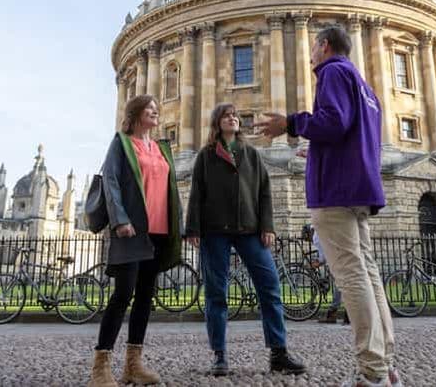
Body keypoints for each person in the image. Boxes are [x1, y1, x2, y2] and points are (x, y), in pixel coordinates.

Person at [256, 26, 400, 387]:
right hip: (359, 187)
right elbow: (350, 135)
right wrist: (317, 151)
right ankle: (386, 364)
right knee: (368, 274)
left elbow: (334, 122)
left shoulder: (333, 72)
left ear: (324, 45)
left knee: (351, 276)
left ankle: (373, 371)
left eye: (312, 48)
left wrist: (291, 123)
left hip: (335, 191)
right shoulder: (365, 87)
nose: (310, 56)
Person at [185, 103, 306, 377]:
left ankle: (278, 352)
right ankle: (219, 355)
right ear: (217, 122)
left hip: (250, 229)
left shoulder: (251, 153)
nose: (233, 118)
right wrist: (192, 229)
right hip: (214, 230)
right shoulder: (205, 155)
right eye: (227, 115)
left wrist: (268, 226)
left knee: (270, 287)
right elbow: (196, 193)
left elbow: (264, 191)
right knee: (216, 293)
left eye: (235, 115)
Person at [88, 95, 182, 387]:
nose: (155, 111)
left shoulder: (161, 147)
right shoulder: (122, 143)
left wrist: (179, 225)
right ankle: (100, 368)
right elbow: (111, 181)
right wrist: (119, 220)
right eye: (149, 108)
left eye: (156, 108)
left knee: (144, 297)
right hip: (131, 228)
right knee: (122, 294)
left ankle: (133, 365)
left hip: (158, 230)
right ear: (136, 114)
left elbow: (169, 189)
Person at [310, 226, 349, 325]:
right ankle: (344, 313)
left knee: (340, 286)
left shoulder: (317, 236)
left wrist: (318, 262)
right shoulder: (326, 230)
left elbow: (324, 254)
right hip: (342, 257)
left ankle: (336, 313)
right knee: (344, 285)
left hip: (337, 261)